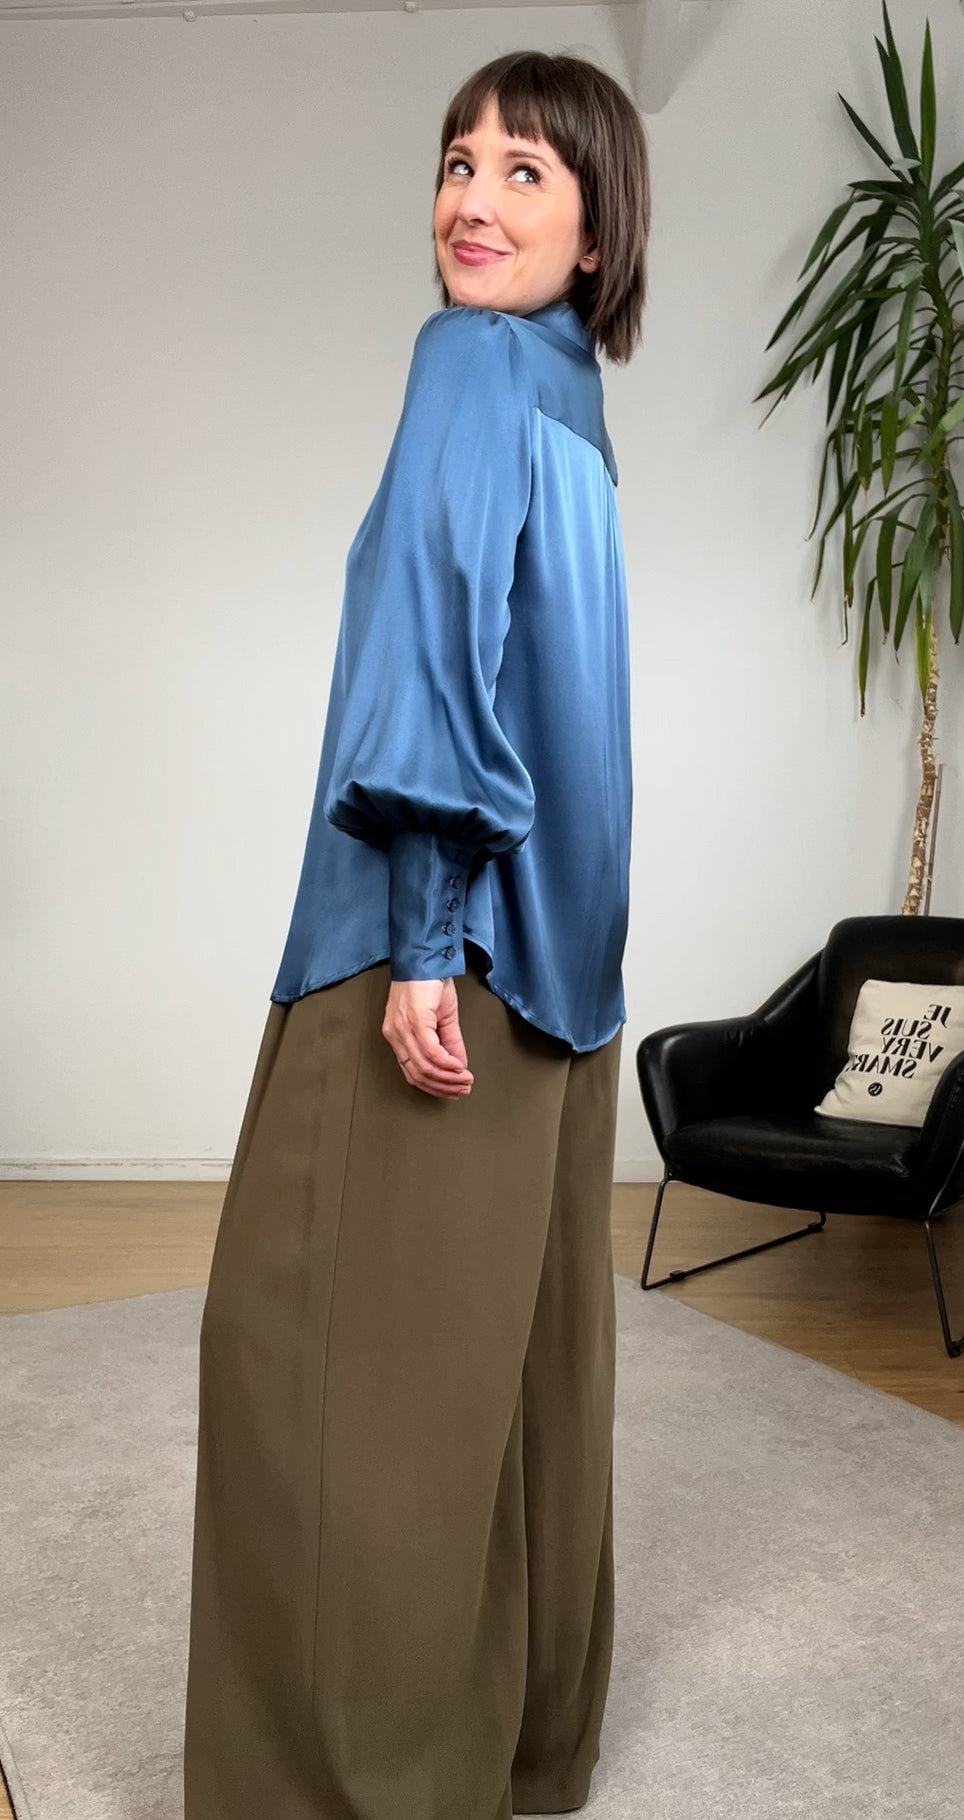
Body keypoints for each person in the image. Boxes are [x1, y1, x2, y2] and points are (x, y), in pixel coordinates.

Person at [182, 48, 650, 1820]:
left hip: (426, 952)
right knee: (511, 1379)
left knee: (311, 1373)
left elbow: (444, 649)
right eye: (460, 161)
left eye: (527, 171)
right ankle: (525, 1751)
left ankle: (351, 1789)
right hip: (568, 985)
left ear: (597, 233)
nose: (472, 197)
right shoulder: (571, 400)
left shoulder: (468, 363)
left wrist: (430, 941)